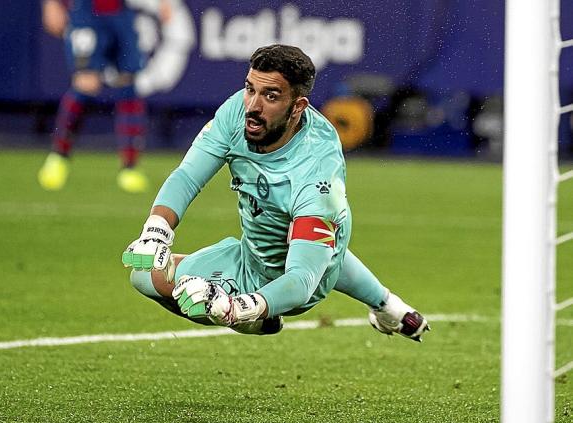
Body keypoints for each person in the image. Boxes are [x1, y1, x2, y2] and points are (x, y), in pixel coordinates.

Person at [122, 44, 430, 340]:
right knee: (144, 273)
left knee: (314, 252)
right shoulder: (237, 111)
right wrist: (157, 230)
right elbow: (188, 176)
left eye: (270, 95)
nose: (253, 106)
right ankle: (386, 304)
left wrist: (238, 308)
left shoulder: (318, 172)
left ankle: (261, 321)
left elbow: (303, 280)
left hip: (302, 281)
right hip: (252, 255)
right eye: (250, 89)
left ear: (297, 108)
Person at [38, 0, 171, 193]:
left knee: (128, 84)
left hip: (121, 12)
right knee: (86, 83)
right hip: (87, 11)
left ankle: (130, 167)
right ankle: (59, 155)